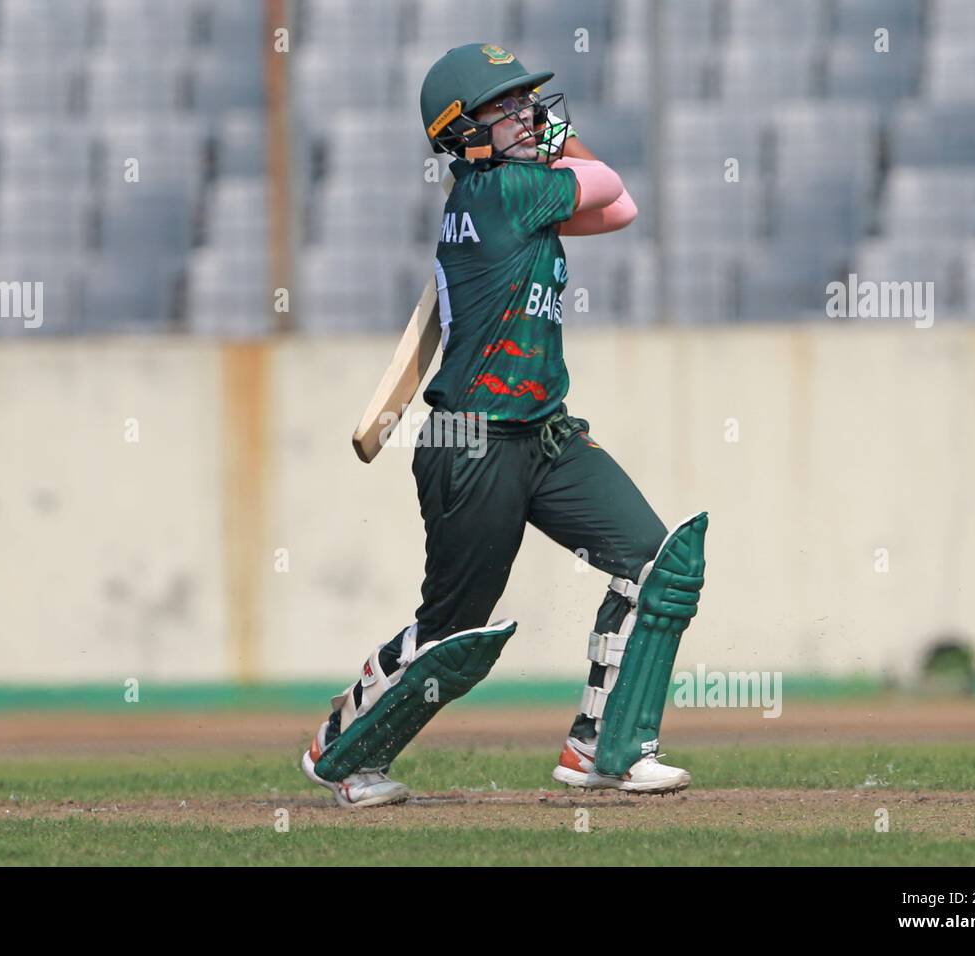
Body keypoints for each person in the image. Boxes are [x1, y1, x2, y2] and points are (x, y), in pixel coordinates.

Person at [302, 43, 707, 808]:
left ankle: (605, 749)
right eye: (507, 105)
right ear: (462, 133)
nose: (529, 113)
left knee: (661, 565)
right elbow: (612, 185)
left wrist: (547, 137)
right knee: (455, 630)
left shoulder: (516, 194)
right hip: (473, 440)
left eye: (530, 100)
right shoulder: (501, 193)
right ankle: (346, 750)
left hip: (545, 435)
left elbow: (618, 211)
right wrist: (557, 143)